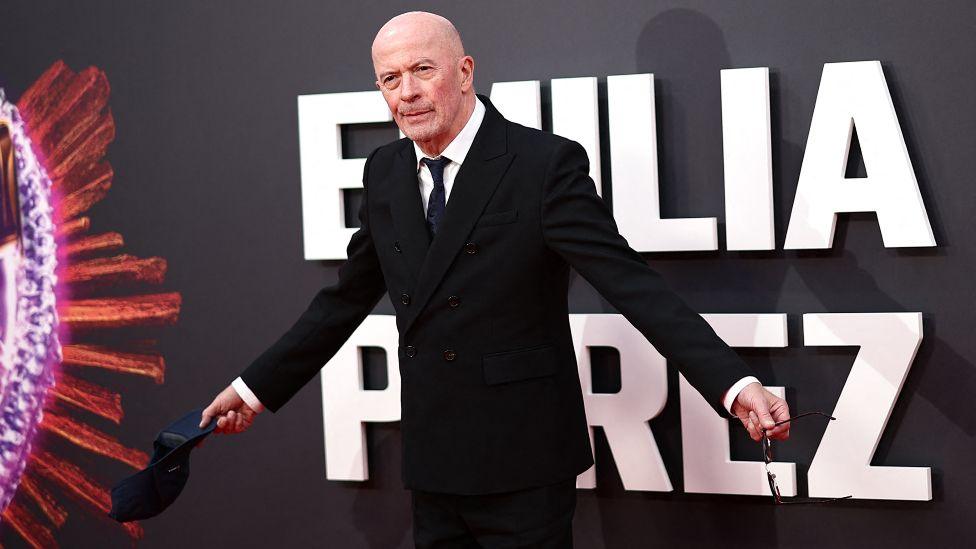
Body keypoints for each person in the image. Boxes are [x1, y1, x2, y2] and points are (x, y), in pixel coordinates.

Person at [200, 11, 790, 547]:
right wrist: (256, 389)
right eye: (389, 79)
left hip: (524, 465)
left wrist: (733, 383)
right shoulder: (384, 172)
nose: (407, 93)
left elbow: (631, 285)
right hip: (433, 463)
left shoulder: (541, 164)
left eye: (422, 70)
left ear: (464, 71)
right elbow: (343, 301)